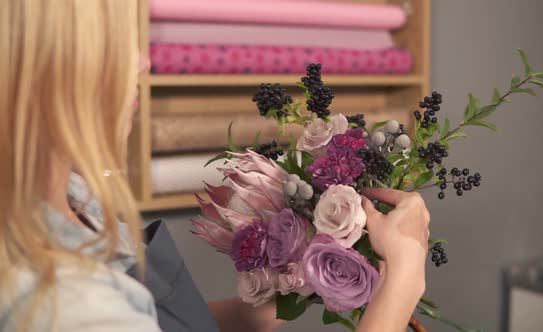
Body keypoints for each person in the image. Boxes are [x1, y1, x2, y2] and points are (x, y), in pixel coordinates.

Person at [0, 1, 430, 331]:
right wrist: (399, 289)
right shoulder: (69, 305)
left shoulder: (72, 201)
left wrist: (278, 304)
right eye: (114, 43)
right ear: (45, 67)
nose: (143, 62)